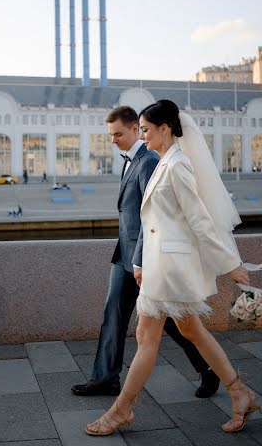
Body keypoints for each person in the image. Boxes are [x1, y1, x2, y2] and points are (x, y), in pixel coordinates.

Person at [86, 100, 259, 437]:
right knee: (191, 332)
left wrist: (231, 263)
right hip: (160, 265)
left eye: (147, 130)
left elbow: (199, 221)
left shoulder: (177, 165)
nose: (143, 136)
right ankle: (241, 393)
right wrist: (140, 261)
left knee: (147, 337)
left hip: (169, 269)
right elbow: (154, 220)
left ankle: (122, 409)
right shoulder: (166, 160)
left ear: (165, 128)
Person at [72, 105, 218, 400]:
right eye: (110, 135)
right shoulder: (132, 159)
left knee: (174, 321)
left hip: (144, 257)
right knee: (113, 312)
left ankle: (209, 369)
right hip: (123, 255)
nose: (112, 140)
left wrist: (140, 260)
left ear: (135, 130)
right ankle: (105, 379)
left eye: (117, 134)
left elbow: (150, 217)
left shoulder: (150, 160)